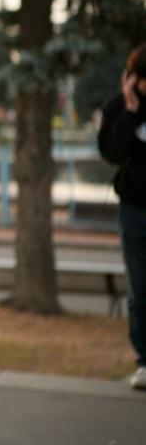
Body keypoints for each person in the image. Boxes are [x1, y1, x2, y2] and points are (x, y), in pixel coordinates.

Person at [98, 44, 146, 390]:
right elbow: (111, 152)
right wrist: (130, 112)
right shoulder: (118, 107)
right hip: (134, 211)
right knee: (140, 290)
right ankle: (144, 362)